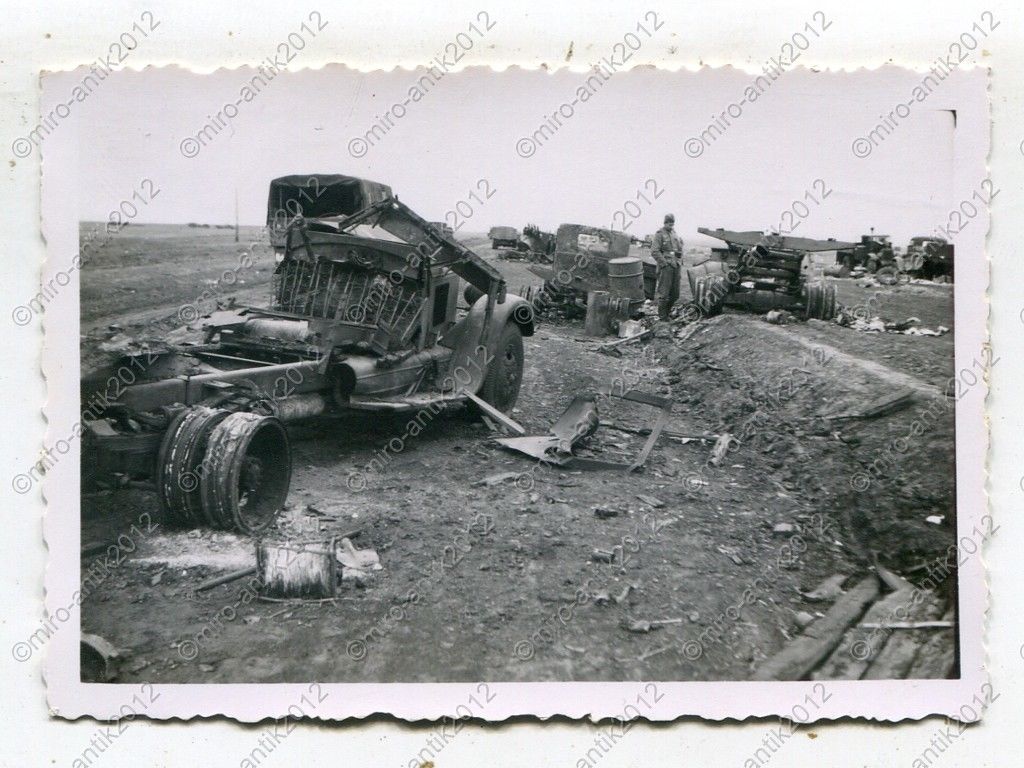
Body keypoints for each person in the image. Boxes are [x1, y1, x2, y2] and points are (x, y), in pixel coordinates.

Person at [651, 213, 683, 321]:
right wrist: (664, 263)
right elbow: (654, 251)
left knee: (675, 294)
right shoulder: (659, 234)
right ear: (665, 223)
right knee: (664, 294)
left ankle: (667, 313)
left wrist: (679, 257)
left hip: (676, 265)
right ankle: (663, 317)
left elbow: (679, 249)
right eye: (669, 224)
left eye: (672, 224)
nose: (671, 226)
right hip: (666, 267)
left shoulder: (674, 234)